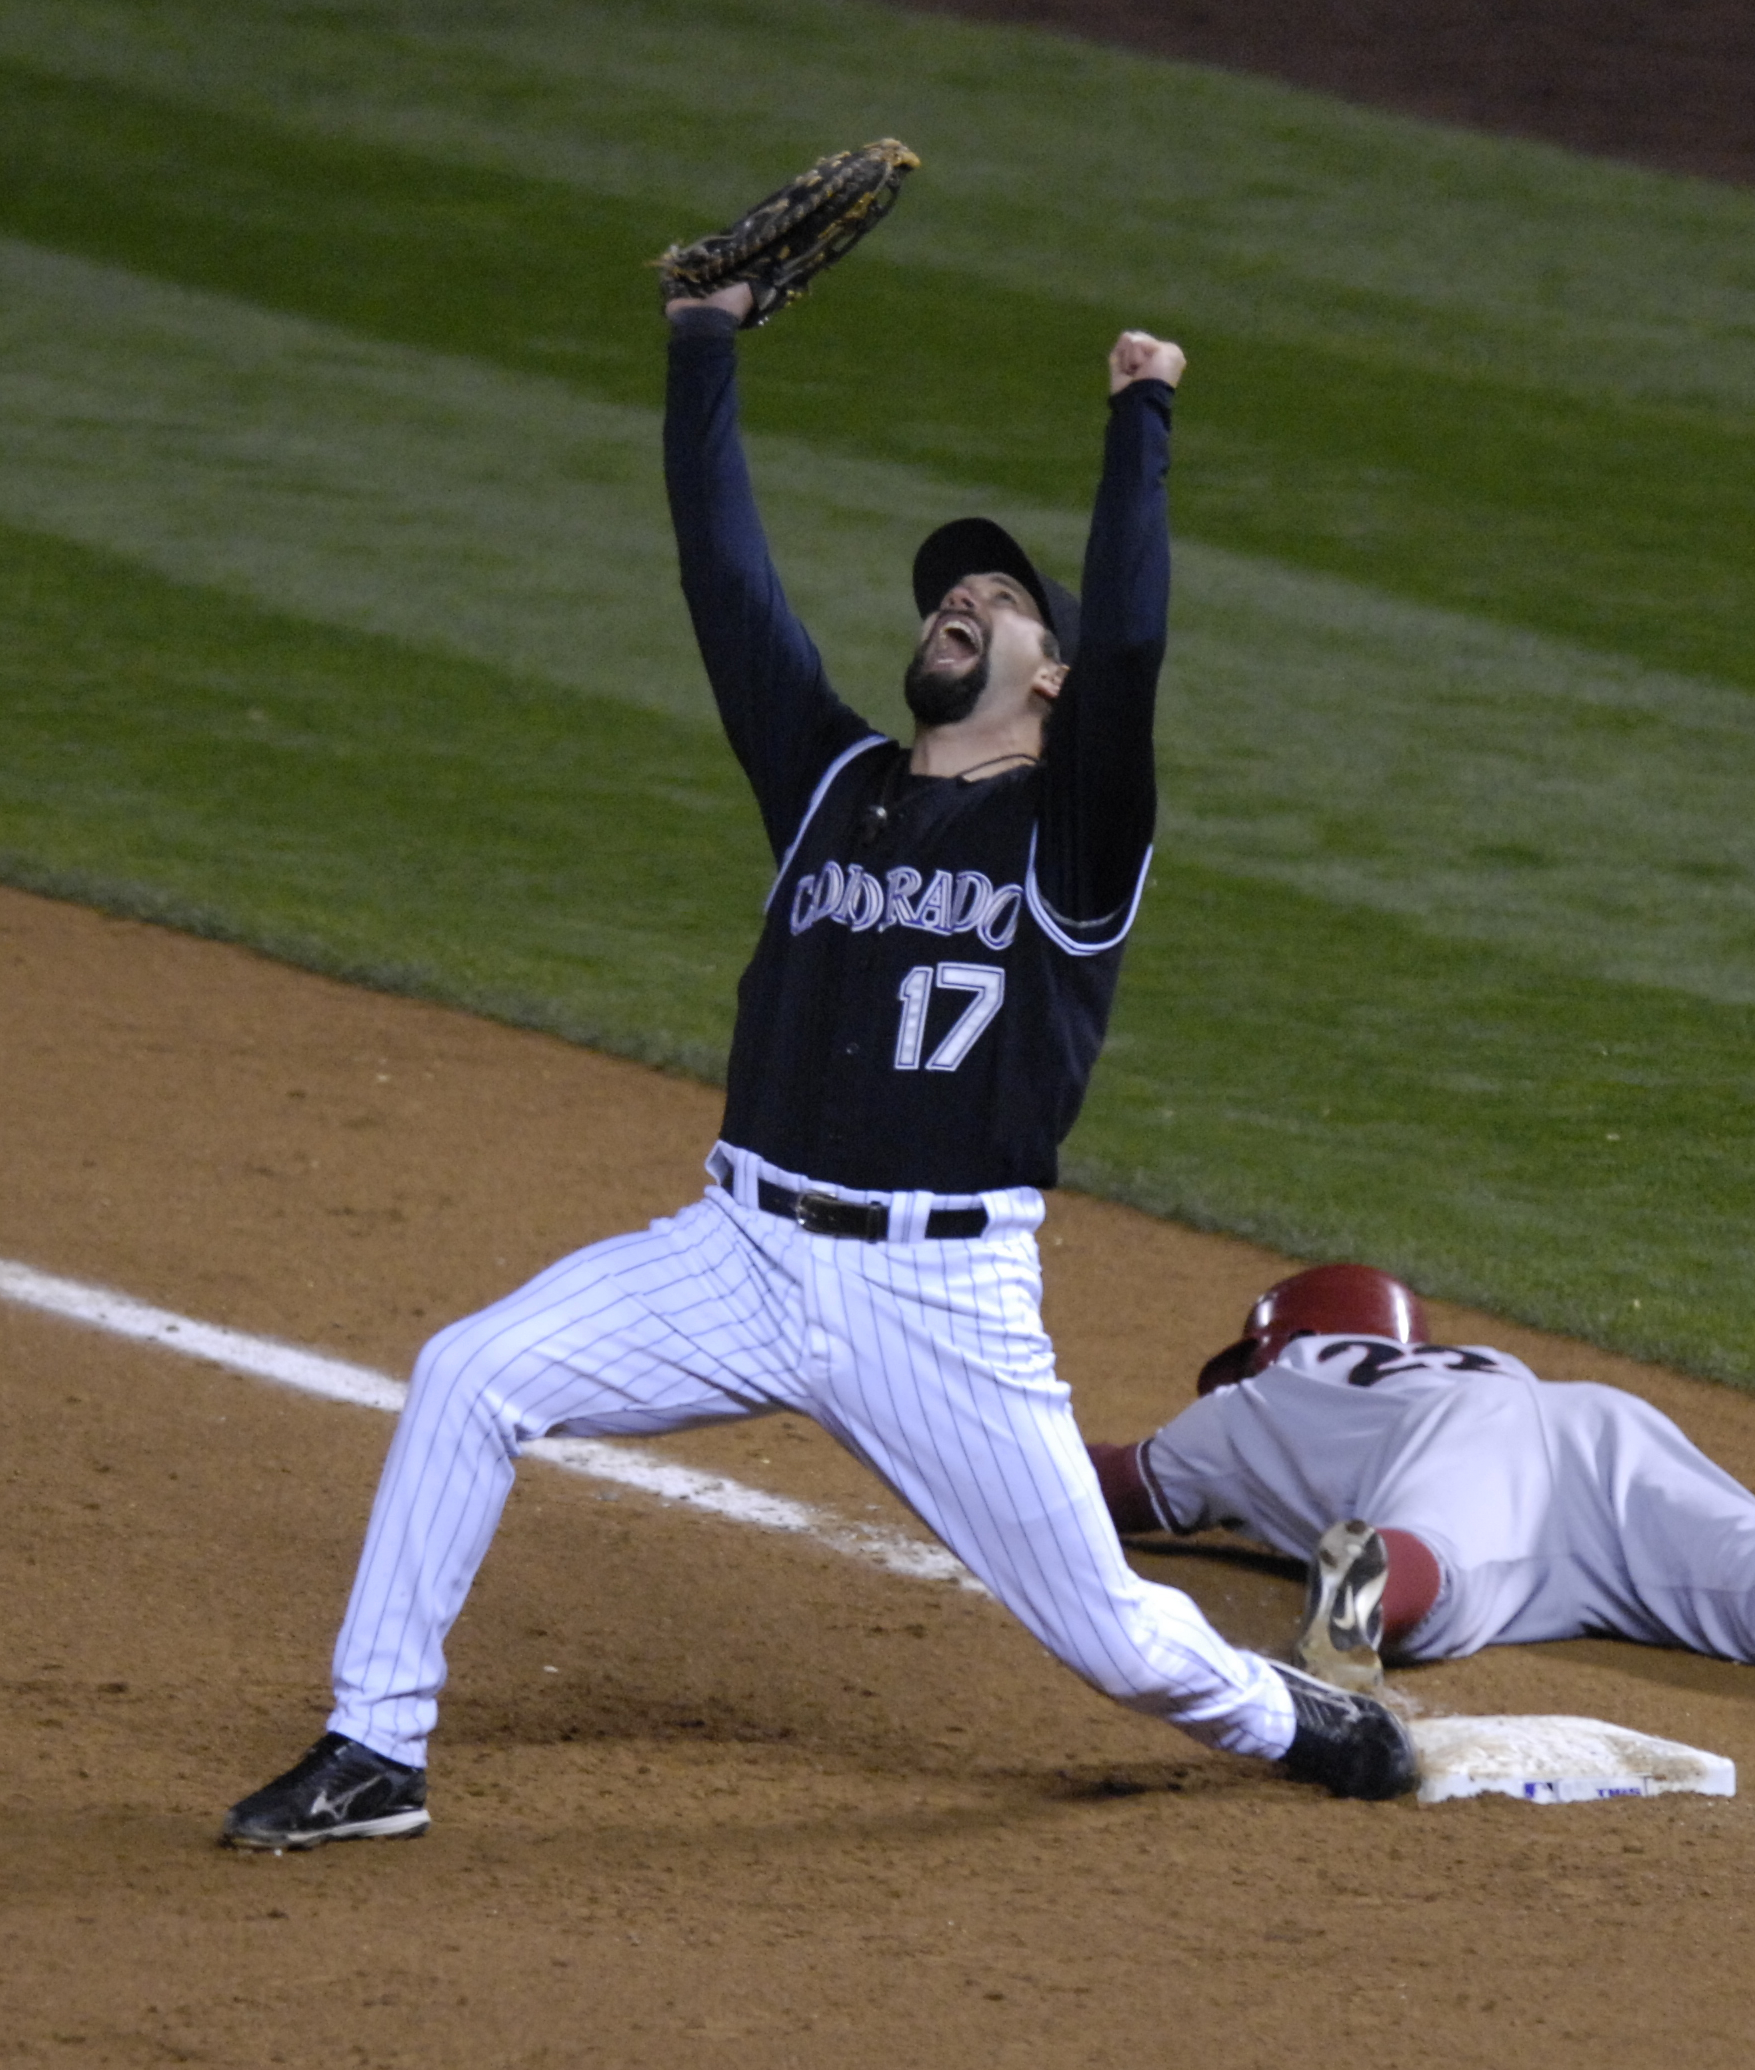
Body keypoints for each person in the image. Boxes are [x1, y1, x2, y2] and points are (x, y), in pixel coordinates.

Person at [220, 290, 1417, 1849]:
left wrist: (1141, 418)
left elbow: (1132, 634)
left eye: (994, 595)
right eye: (944, 593)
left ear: (1048, 678)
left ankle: (1296, 1718)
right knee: (469, 1373)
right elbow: (725, 578)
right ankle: (377, 1751)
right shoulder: (832, 780)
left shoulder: (1076, 835)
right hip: (739, 1247)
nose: (957, 603)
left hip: (942, 1299)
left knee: (1115, 1640)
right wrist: (701, 345)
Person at [1085, 1265, 1755, 1732]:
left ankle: (1372, 1588)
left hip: (1456, 1460)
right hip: (1581, 1419)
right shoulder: (1458, 1358)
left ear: (1271, 1339)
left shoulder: (1252, 1402)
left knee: (1441, 1563)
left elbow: (1115, 1486)